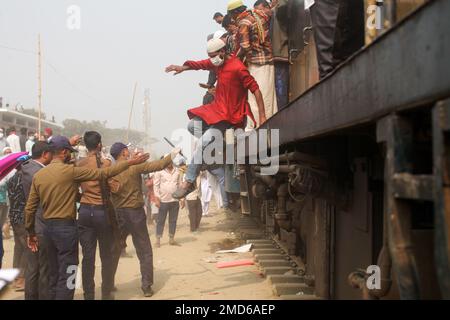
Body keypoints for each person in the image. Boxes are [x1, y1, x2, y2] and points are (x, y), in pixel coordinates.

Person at [24, 136, 150, 300]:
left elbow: (30, 208)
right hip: (66, 229)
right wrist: (131, 163)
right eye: (68, 152)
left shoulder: (39, 175)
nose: (70, 155)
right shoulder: (70, 171)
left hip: (47, 230)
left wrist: (30, 233)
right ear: (62, 152)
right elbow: (104, 173)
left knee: (53, 272)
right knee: (70, 270)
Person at [165, 37, 266, 199]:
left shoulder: (238, 68)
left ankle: (188, 182)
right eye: (210, 56)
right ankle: (217, 146)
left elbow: (256, 89)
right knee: (192, 126)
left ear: (222, 51)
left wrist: (262, 115)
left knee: (202, 144)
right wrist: (182, 68)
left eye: (214, 55)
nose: (212, 59)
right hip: (217, 111)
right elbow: (200, 64)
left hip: (230, 116)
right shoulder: (216, 63)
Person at [108, 143, 178, 297]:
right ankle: (146, 286)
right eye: (128, 150)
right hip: (135, 213)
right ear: (124, 152)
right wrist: (174, 153)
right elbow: (159, 165)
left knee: (114, 250)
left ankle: (108, 283)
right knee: (144, 250)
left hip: (118, 213)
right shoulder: (134, 167)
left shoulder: (110, 171)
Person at [76, 131, 118, 300]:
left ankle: (89, 295)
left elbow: (74, 189)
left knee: (88, 257)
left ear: (86, 145)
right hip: (102, 211)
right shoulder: (106, 164)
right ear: (99, 145)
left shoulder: (80, 164)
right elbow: (115, 188)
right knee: (106, 255)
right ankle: (106, 293)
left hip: (85, 210)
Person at [228, 0, 278, 130]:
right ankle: (271, 124)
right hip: (268, 60)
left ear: (234, 14)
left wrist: (233, 61)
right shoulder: (257, 14)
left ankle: (260, 127)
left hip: (257, 64)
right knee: (268, 96)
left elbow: (245, 46)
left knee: (256, 98)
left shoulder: (244, 22)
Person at [21, 141, 53, 300]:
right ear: (45, 154)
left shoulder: (26, 168)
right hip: (39, 224)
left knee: (33, 268)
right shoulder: (39, 173)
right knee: (44, 268)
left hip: (31, 224)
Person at [153, 159, 184, 247]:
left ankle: (171, 239)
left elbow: (180, 185)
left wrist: (182, 199)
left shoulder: (177, 171)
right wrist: (157, 198)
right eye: (166, 162)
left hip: (174, 200)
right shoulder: (159, 172)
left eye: (170, 161)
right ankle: (158, 240)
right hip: (163, 200)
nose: (168, 163)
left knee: (173, 220)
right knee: (161, 221)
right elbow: (156, 186)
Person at [7, 166, 28, 292]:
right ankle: (21, 279)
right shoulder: (24, 179)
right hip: (22, 217)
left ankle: (16, 277)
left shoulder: (12, 179)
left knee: (18, 247)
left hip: (14, 216)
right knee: (26, 247)